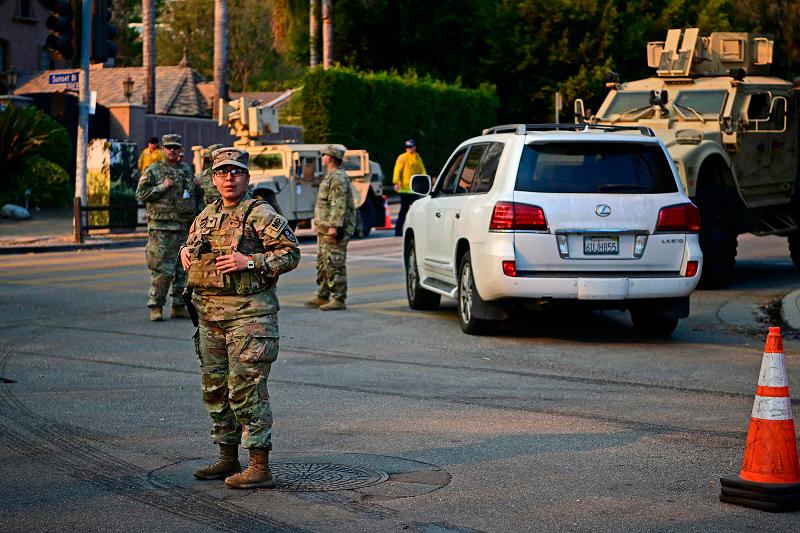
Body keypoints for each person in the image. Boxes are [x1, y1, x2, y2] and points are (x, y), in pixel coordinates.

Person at [179, 147, 300, 489]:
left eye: (235, 172)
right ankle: (227, 458)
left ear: (246, 176)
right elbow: (192, 244)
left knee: (246, 390)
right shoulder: (207, 214)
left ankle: (259, 465)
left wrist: (250, 262)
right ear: (213, 177)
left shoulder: (259, 212)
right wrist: (185, 251)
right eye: (221, 172)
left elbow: (290, 254)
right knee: (215, 389)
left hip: (250, 318)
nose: (228, 178)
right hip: (210, 317)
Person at [135, 134, 198, 321]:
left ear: (180, 150)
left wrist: (198, 186)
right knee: (162, 270)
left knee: (182, 270)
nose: (172, 150)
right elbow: (140, 194)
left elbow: (194, 196)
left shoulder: (186, 170)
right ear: (163, 149)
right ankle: (156, 306)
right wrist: (162, 187)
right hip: (161, 228)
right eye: (169, 147)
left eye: (176, 147)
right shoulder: (153, 170)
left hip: (183, 227)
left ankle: (179, 306)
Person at [304, 145, 356, 311]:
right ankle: (322, 294)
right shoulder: (331, 176)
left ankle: (338, 298)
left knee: (334, 262)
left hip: (334, 229)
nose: (322, 157)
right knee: (323, 262)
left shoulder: (338, 177)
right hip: (324, 228)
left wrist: (334, 226)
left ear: (331, 158)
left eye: (324, 155)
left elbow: (338, 204)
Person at [392, 138, 426, 236]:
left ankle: (415, 231)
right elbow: (397, 170)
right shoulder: (402, 157)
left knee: (415, 211)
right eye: (407, 147)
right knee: (404, 210)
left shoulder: (417, 157)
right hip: (405, 189)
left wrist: (424, 181)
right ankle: (398, 230)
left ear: (415, 147)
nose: (409, 149)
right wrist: (396, 182)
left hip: (415, 189)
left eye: (410, 147)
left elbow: (422, 170)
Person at [196, 143, 224, 208]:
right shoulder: (200, 177)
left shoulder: (230, 175)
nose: (218, 157)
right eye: (215, 155)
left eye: (220, 154)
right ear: (210, 158)